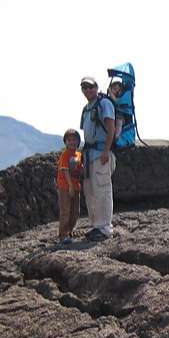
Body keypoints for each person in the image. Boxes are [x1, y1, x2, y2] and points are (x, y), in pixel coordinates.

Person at [78, 76, 117, 241]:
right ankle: (96, 226)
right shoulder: (87, 108)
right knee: (91, 191)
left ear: (96, 87)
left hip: (101, 153)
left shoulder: (104, 104)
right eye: (84, 87)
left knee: (103, 190)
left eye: (90, 87)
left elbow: (111, 128)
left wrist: (106, 151)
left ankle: (105, 228)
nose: (87, 90)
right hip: (89, 155)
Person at [55, 129, 82, 244]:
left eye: (74, 139)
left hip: (76, 186)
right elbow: (65, 171)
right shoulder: (65, 155)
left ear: (78, 141)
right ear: (65, 142)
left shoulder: (79, 154)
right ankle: (63, 235)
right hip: (65, 186)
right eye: (69, 140)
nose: (72, 142)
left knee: (75, 211)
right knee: (65, 210)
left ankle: (69, 231)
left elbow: (80, 169)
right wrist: (70, 186)